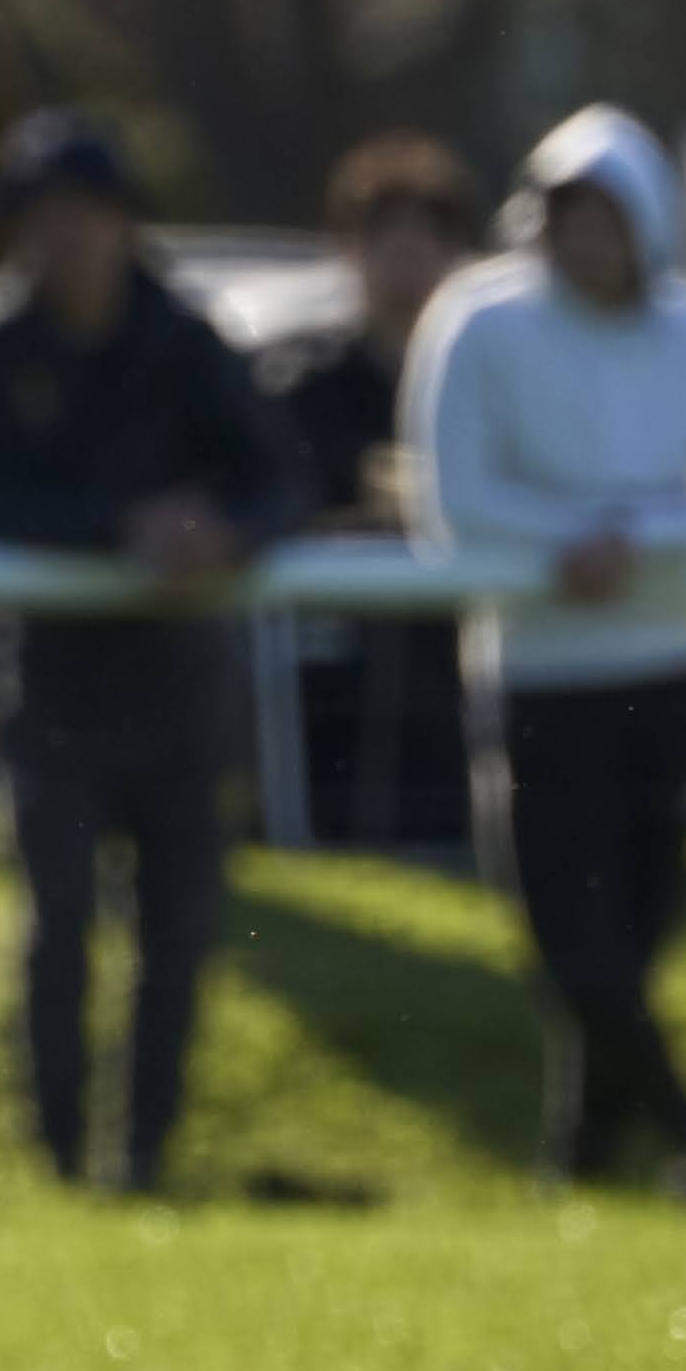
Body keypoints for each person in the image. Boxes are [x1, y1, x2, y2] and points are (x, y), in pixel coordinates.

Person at [406, 107, 686, 1202]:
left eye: (608, 216)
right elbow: (459, 505)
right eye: (569, 214)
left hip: (679, 671)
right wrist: (575, 546)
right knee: (569, 938)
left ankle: (579, 1169)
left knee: (632, 933)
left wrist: (633, 541)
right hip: (538, 673)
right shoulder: (479, 324)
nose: (587, 240)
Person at [0, 115, 299, 1195]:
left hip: (182, 679)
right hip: (49, 683)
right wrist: (121, 528)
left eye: (87, 216)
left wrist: (223, 531)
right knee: (56, 931)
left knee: (178, 937)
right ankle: (57, 1159)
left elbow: (280, 475)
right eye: (44, 219)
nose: (70, 240)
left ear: (124, 222)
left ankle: (141, 1158)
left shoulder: (186, 339)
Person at [262, 135, 480, 849]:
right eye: (384, 232)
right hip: (340, 669)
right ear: (349, 247)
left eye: (426, 232)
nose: (406, 253)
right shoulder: (303, 383)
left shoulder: (487, 383)